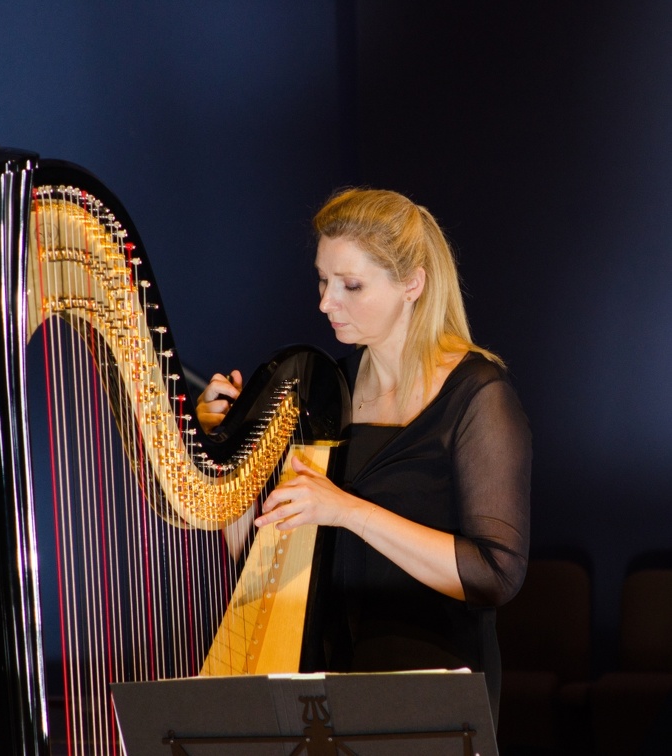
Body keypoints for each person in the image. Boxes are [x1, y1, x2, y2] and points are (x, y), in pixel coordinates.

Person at [197, 188, 531, 724]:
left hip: (429, 682)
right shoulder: (327, 391)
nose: (326, 302)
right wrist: (226, 454)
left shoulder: (478, 395)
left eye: (351, 285)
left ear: (411, 284)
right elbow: (256, 553)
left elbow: (495, 573)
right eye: (323, 281)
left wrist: (347, 510)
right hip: (327, 680)